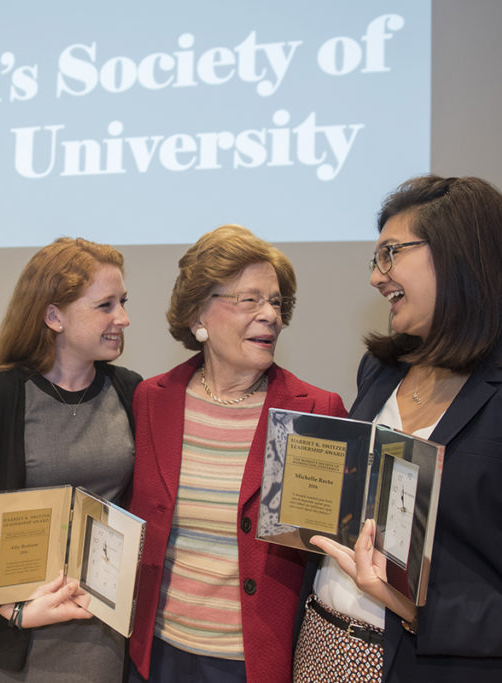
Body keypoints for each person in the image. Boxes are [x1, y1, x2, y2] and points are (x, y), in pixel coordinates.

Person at [293, 175, 502, 682]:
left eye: (391, 253)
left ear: (459, 255)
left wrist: (422, 611)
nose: (377, 277)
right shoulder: (380, 371)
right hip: (320, 646)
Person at [0, 237, 143, 683]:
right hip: (7, 640)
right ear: (53, 315)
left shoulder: (131, 392)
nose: (123, 318)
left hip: (101, 640)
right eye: (105, 305)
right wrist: (14, 606)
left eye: (123, 302)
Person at [128, 225, 348, 683]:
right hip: (157, 653)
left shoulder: (316, 412)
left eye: (277, 302)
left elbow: (326, 550)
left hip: (253, 662)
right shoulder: (152, 399)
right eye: (250, 300)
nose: (271, 315)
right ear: (198, 317)